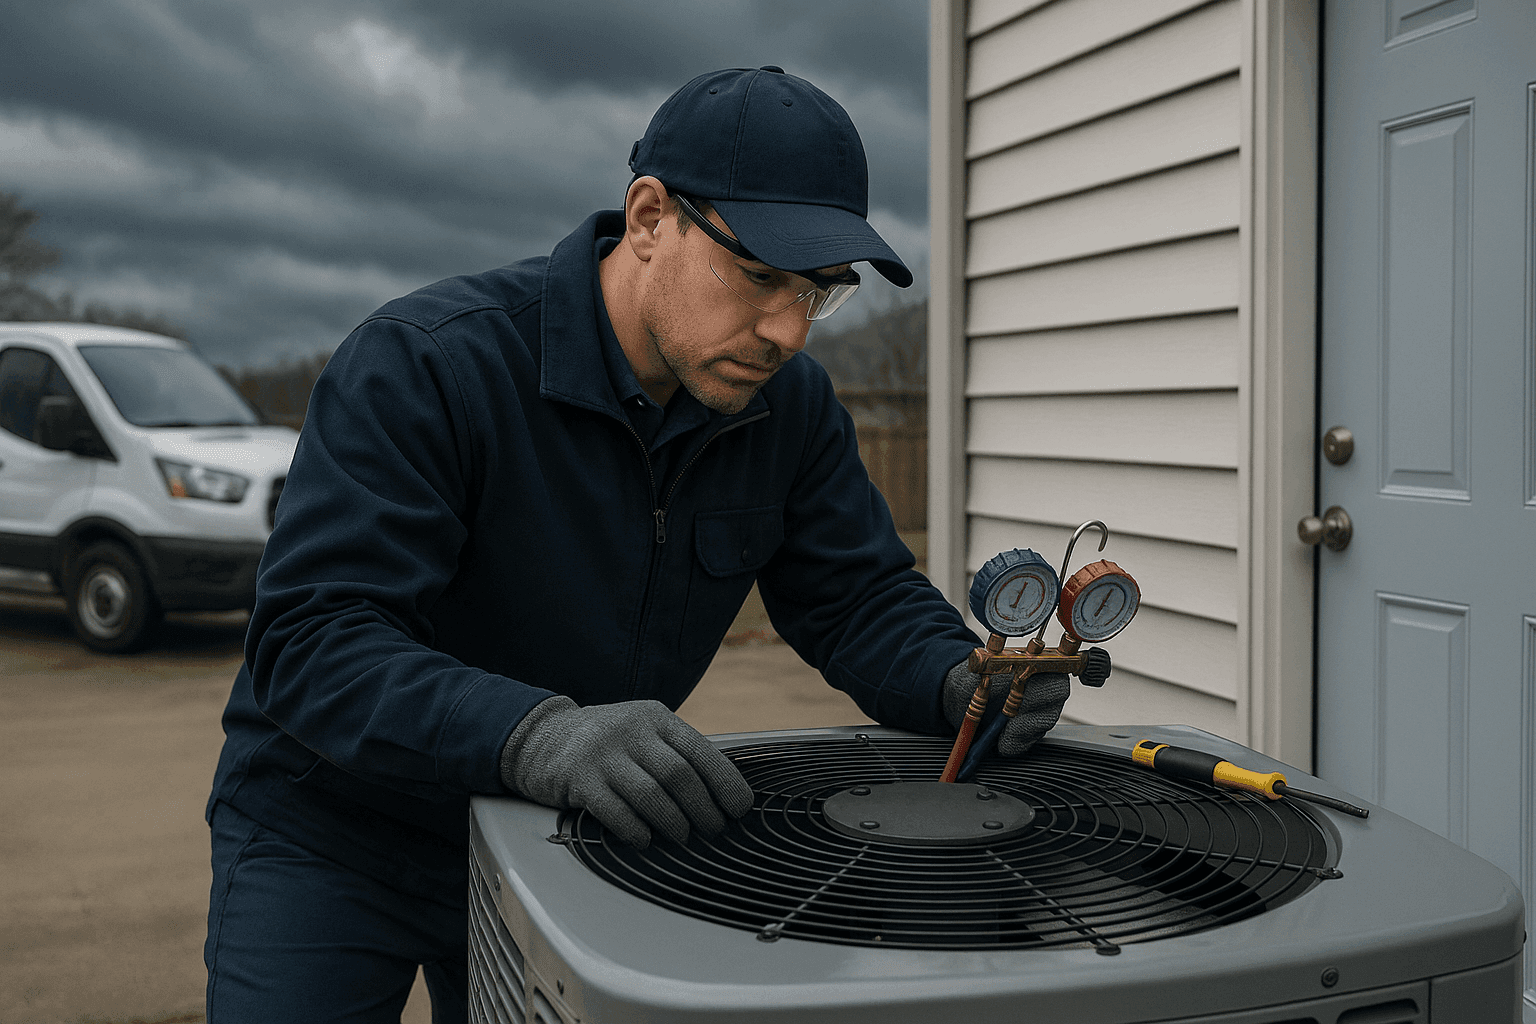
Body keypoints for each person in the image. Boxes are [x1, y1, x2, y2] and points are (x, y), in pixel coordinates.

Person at [202, 66, 1071, 1022]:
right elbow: (314, 640)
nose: (788, 330)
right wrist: (534, 733)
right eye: (759, 276)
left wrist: (956, 678)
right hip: (333, 829)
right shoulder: (428, 365)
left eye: (822, 292)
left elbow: (856, 595)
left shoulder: (789, 410)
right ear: (650, 218)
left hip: (557, 834)